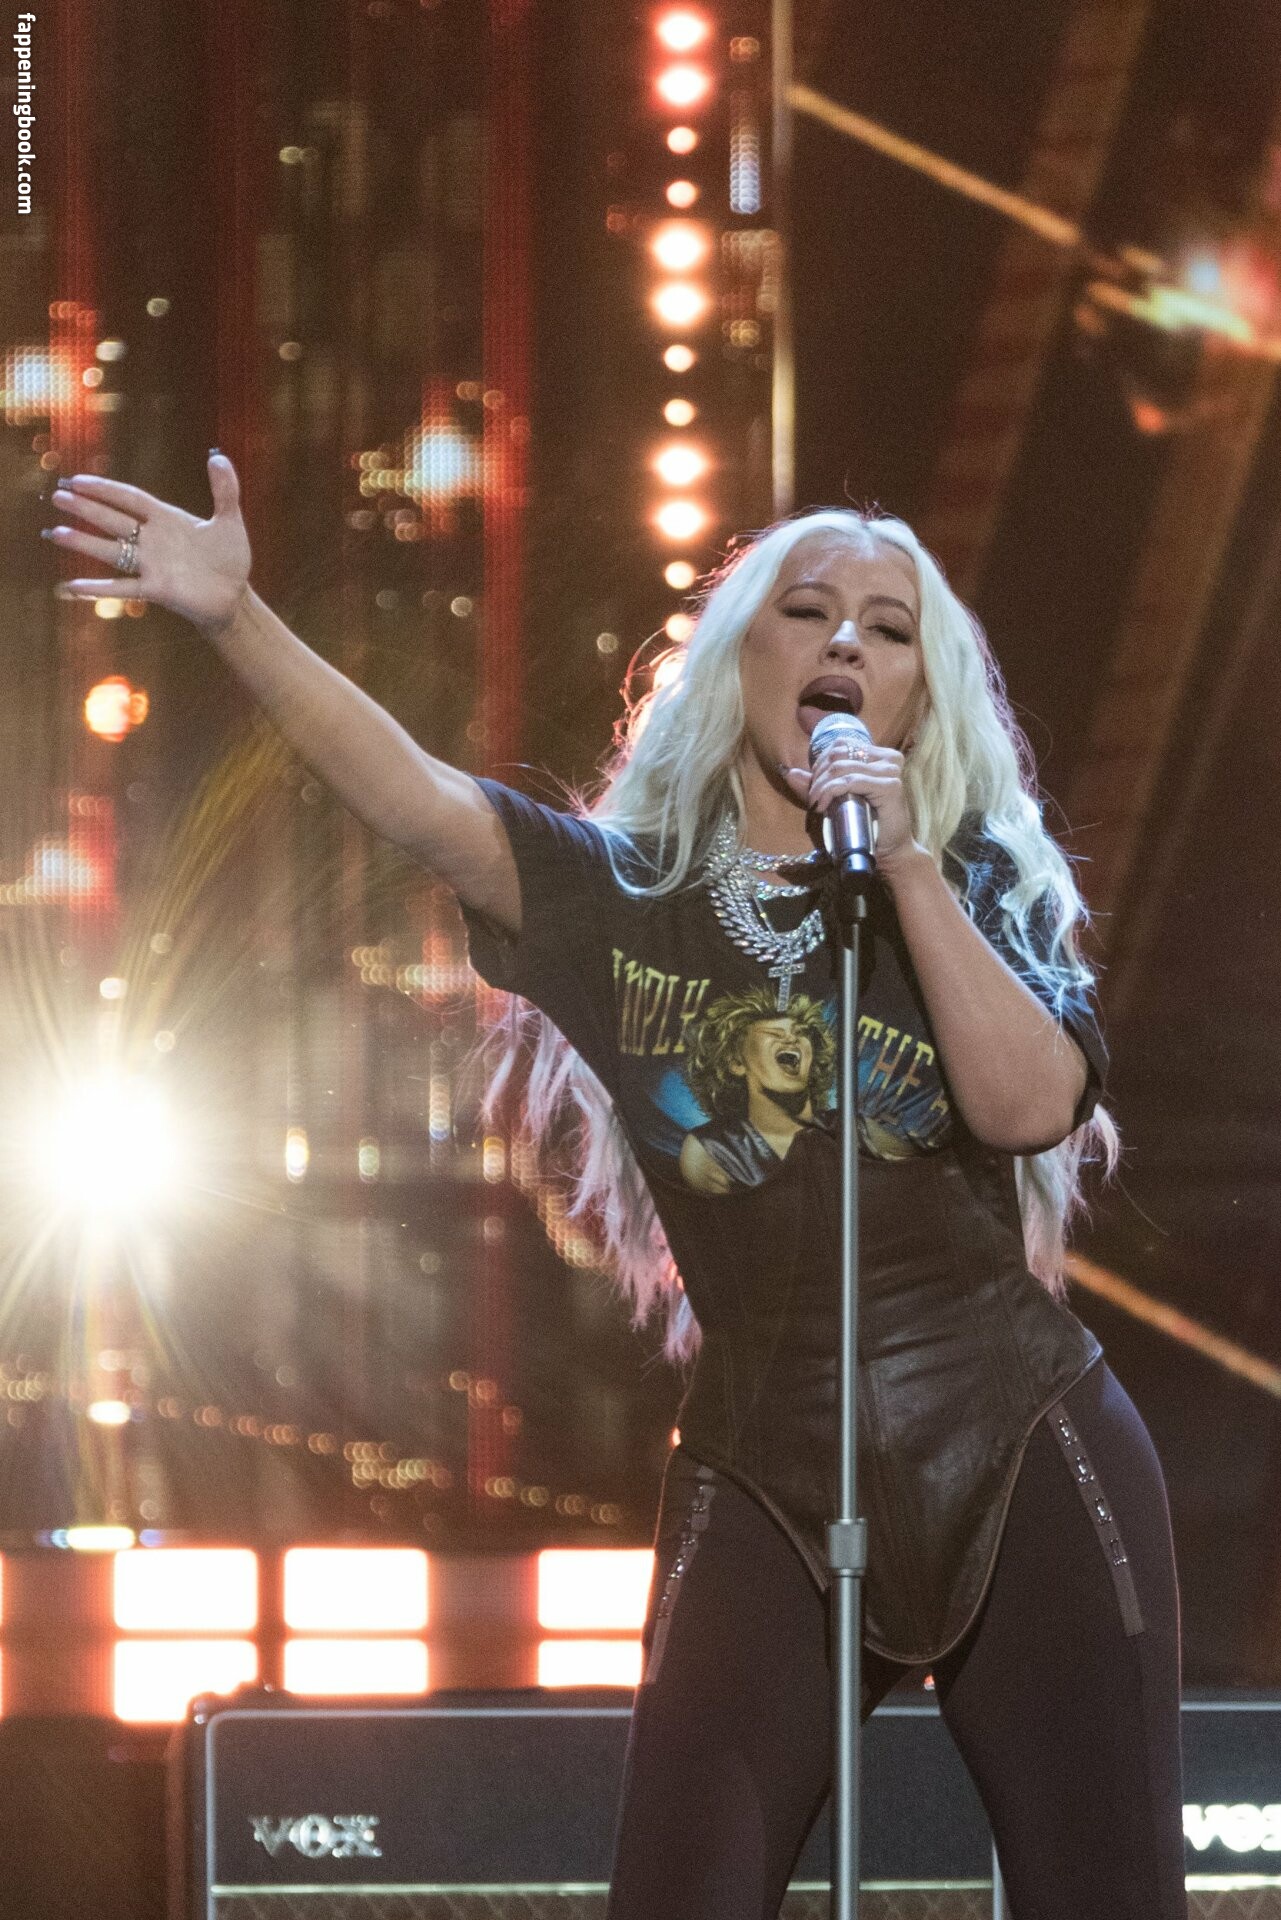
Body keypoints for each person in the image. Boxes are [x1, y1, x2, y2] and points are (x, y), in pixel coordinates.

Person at [42, 456, 1189, 1919]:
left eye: (888, 628)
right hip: (766, 1467)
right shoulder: (619, 900)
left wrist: (905, 870)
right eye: (807, 611)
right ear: (741, 657)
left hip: (1020, 1442)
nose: (844, 641)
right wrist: (234, 615)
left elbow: (1026, 1107)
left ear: (916, 698)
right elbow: (416, 801)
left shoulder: (975, 890)